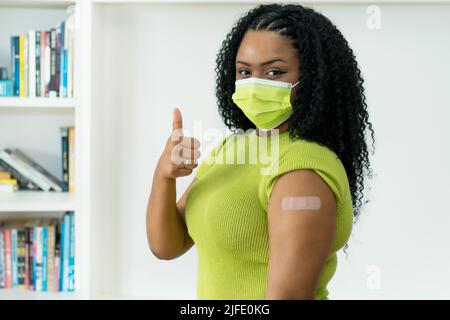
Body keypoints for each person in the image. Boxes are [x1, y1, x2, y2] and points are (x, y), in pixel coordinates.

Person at [146, 3, 374, 300]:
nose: (255, 84)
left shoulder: (302, 169)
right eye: (245, 71)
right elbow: (167, 245)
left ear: (314, 79)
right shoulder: (233, 147)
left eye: (274, 71)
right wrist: (164, 175)